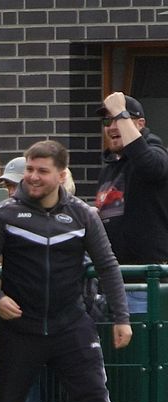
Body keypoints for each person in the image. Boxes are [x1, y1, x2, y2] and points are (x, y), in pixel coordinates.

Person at [0, 140, 133, 402]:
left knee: (95, 399)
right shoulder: (5, 215)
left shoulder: (83, 214)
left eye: (42, 171)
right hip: (19, 327)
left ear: (61, 175)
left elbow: (107, 266)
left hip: (71, 324)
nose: (32, 177)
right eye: (29, 169)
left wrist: (122, 317)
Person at [95, 92, 168, 312]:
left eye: (119, 119)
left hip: (146, 284)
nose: (112, 127)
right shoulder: (109, 169)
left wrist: (121, 112)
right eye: (107, 121)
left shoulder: (157, 154)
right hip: (113, 284)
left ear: (140, 124)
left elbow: (150, 166)